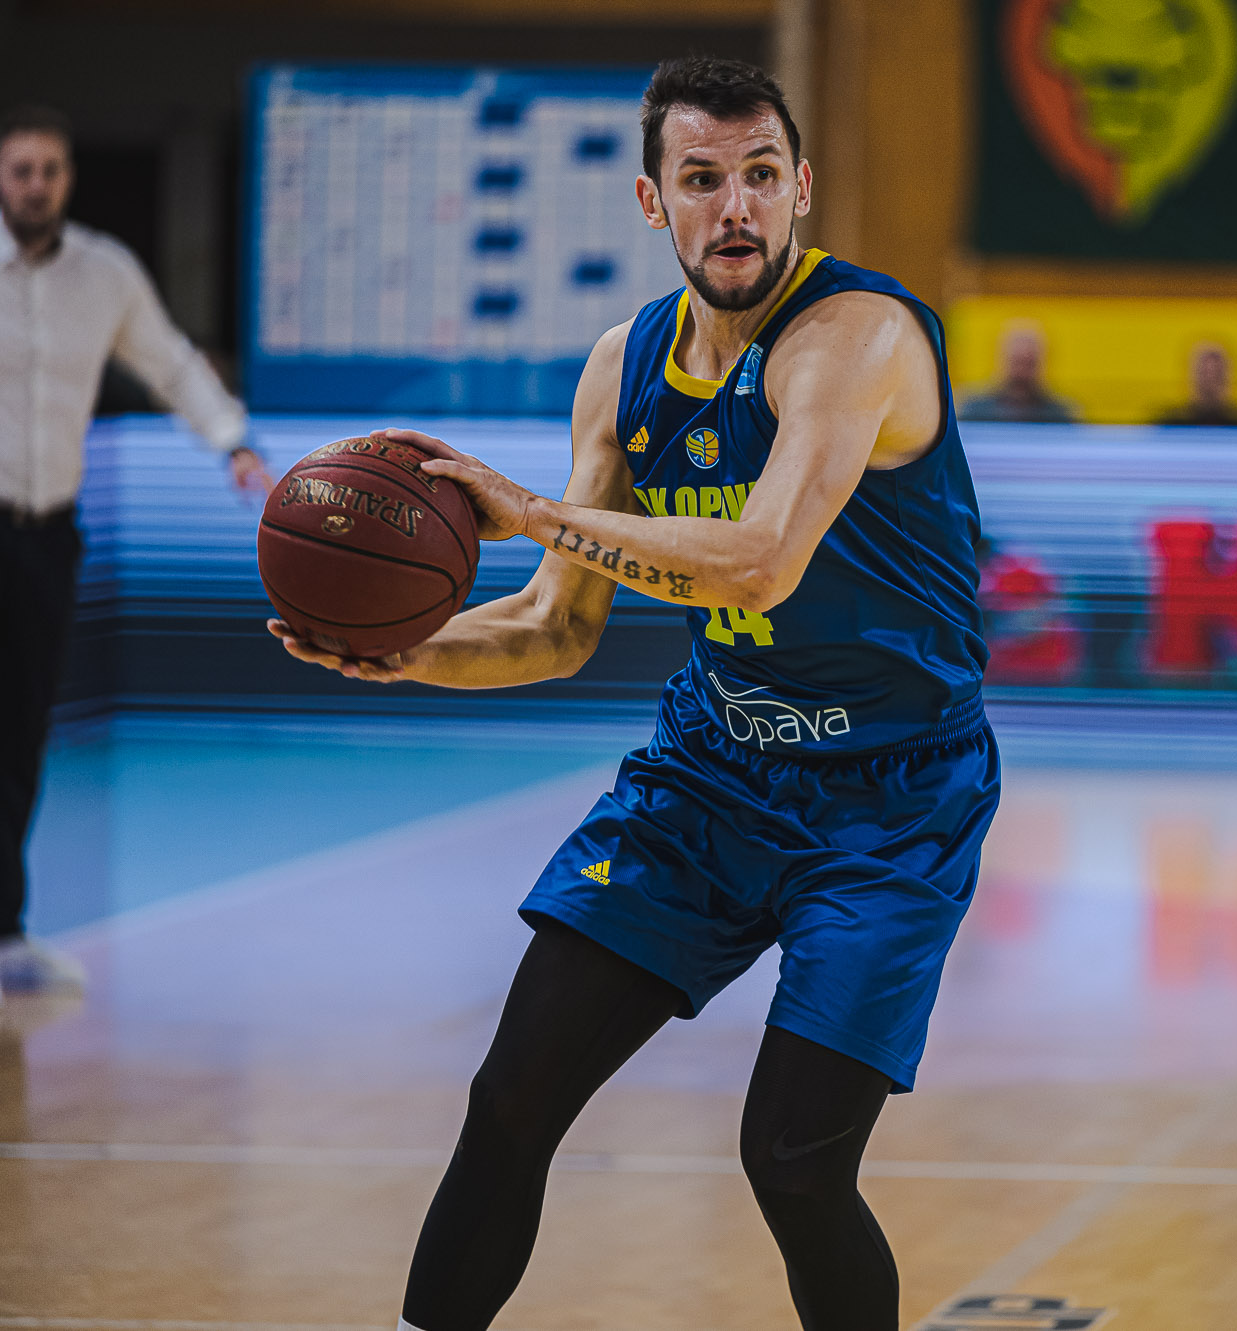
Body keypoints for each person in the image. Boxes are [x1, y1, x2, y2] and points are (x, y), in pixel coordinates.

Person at [269, 57, 997, 1331]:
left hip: (892, 802)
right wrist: (399, 650)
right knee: (510, 1097)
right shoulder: (625, 365)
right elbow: (553, 626)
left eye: (759, 175)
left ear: (801, 188)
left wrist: (534, 509)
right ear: (654, 203)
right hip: (712, 772)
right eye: (702, 179)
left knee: (793, 1159)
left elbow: (762, 562)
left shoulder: (856, 338)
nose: (736, 206)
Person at [0, 104, 273, 998]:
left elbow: (171, 362)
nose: (35, 185)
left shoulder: (104, 271)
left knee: (21, 732)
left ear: (68, 178)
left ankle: (4, 930)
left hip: (47, 534)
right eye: (21, 170)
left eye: (49, 170)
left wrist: (231, 439)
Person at [957, 320, 1076, 423]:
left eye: (1029, 363)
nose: (1022, 371)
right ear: (1001, 361)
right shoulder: (974, 410)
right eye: (1017, 362)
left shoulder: (1059, 414)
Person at [1154, 339, 1237, 427]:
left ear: (1229, 378)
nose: (1210, 379)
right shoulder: (1169, 425)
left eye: (1218, 373)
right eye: (1204, 372)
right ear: (1191, 376)